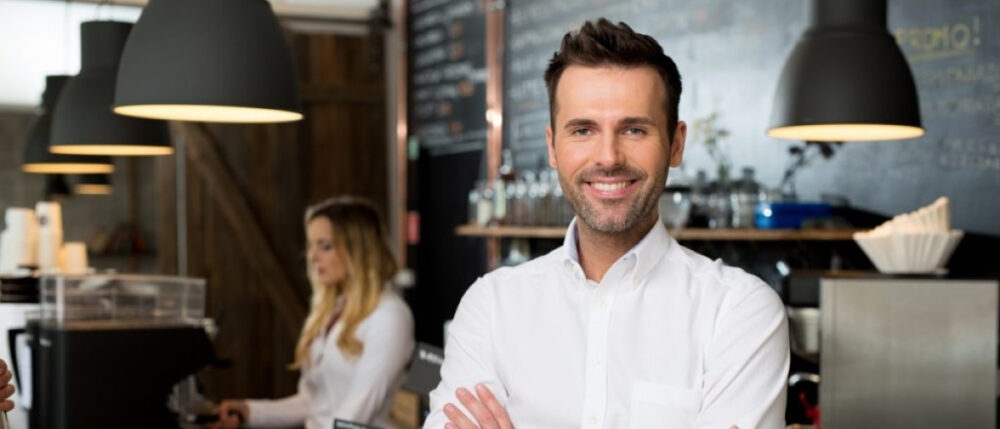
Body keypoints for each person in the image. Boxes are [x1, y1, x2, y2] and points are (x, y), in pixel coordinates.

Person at [424, 19, 788, 429]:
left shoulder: (738, 312)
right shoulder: (490, 307)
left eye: (634, 129)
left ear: (676, 143)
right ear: (552, 147)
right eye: (583, 130)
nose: (608, 156)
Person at [212, 196, 415, 429]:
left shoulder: (389, 316)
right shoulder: (329, 310)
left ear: (357, 250)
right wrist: (249, 412)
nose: (312, 256)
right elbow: (311, 403)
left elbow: (355, 417)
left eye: (325, 246)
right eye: (311, 245)